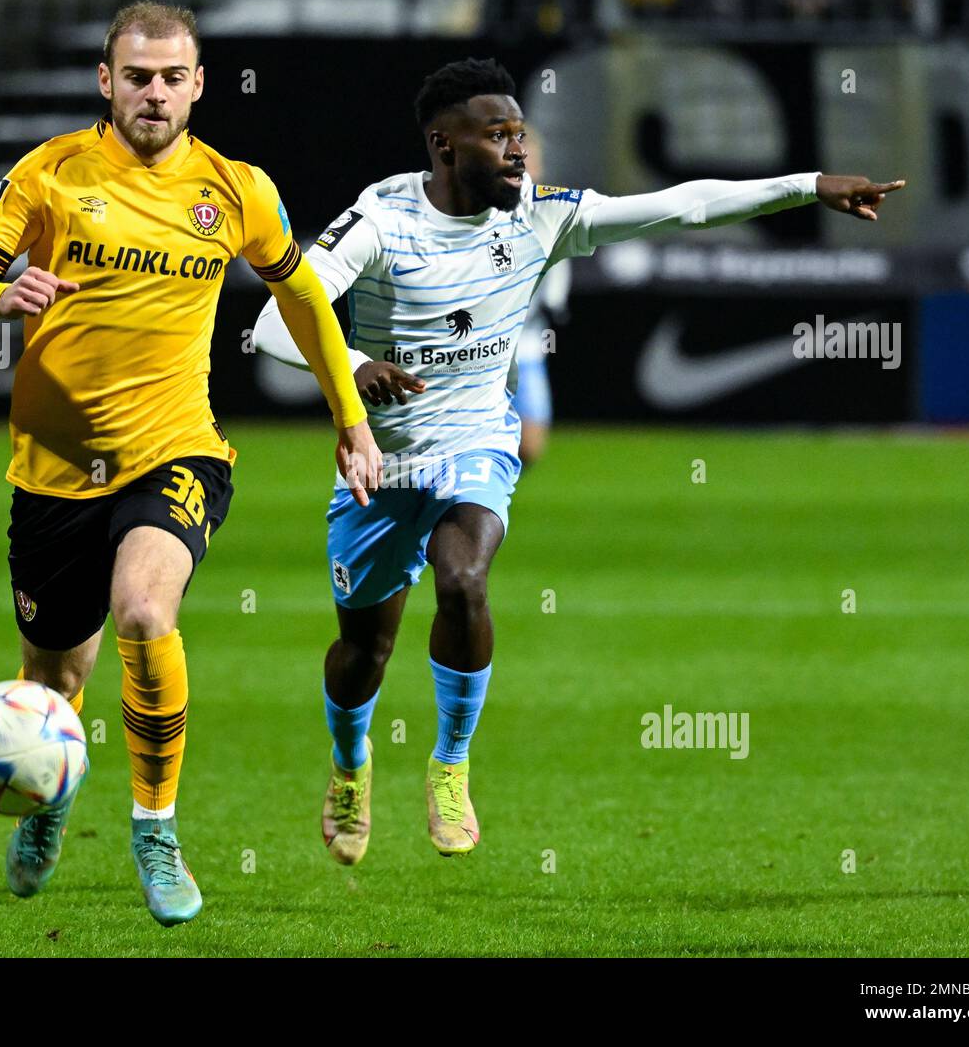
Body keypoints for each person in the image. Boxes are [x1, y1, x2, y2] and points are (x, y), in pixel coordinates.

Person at [252, 57, 903, 864]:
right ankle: (351, 764)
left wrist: (808, 184)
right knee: (363, 653)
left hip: (476, 443)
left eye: (521, 134)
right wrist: (352, 370)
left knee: (463, 580)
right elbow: (275, 328)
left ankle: (450, 765)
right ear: (443, 146)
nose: (518, 152)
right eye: (497, 136)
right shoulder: (381, 219)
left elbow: (682, 207)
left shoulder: (540, 216)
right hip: (382, 463)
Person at [0, 1, 381, 924]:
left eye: (174, 77)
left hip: (177, 450)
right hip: (53, 470)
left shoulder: (236, 188)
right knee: (53, 682)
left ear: (199, 84)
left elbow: (304, 296)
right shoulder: (48, 172)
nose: (155, 94)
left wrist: (351, 415)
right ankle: (49, 796)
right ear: (106, 80)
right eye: (137, 76)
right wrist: (4, 292)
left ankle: (156, 827)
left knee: (143, 609)